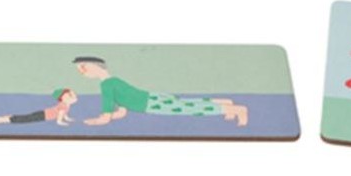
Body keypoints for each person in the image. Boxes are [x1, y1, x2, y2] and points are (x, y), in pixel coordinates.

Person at [73, 56, 249, 127]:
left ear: (95, 67)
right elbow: (122, 110)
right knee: (187, 103)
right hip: (153, 98)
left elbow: (106, 117)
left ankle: (237, 110)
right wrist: (111, 115)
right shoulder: (114, 80)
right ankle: (225, 103)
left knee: (190, 109)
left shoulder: (106, 86)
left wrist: (92, 121)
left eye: (83, 67)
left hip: (151, 104)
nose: (82, 72)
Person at [0, 88, 77, 127]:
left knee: (25, 117)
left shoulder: (66, 104)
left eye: (70, 96)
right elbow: (59, 120)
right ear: (62, 98)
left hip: (43, 114)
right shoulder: (63, 105)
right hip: (42, 116)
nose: (72, 97)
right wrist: (63, 123)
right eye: (69, 96)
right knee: (24, 119)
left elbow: (64, 114)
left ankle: (6, 117)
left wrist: (68, 119)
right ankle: (2, 119)